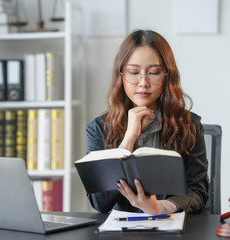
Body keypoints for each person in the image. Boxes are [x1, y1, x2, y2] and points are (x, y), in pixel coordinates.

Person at [86, 30, 208, 215]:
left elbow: (198, 193)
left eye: (153, 72)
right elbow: (99, 202)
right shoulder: (98, 129)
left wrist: (161, 208)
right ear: (121, 75)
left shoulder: (188, 125)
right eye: (134, 72)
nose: (143, 82)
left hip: (173, 230)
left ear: (167, 75)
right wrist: (127, 141)